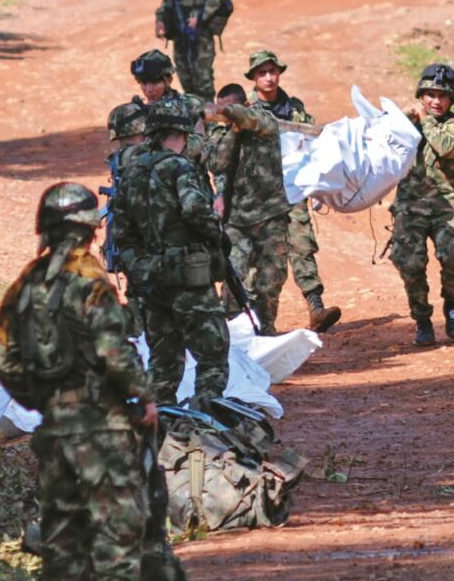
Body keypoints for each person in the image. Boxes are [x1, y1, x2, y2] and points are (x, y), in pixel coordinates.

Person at [0, 182, 156, 580]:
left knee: (62, 550)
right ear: (90, 230)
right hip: (104, 430)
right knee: (117, 543)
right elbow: (113, 352)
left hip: (54, 431)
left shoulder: (24, 286)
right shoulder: (90, 282)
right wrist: (143, 396)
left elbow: (6, 364)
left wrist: (45, 401)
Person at [113, 97, 231, 408]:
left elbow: (121, 234)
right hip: (188, 277)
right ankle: (207, 429)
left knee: (163, 364)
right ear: (181, 133)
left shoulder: (131, 172)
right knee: (213, 356)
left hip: (150, 281)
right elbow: (194, 209)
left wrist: (139, 266)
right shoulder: (179, 166)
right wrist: (216, 234)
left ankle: (154, 433)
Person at [242, 51, 342, 332]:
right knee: (259, 255)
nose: (269, 77)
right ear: (253, 77)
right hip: (259, 194)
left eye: (272, 71)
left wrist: (318, 185)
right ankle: (252, 319)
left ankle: (316, 307)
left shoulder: (294, 108)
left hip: (294, 187)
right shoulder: (247, 108)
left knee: (302, 242)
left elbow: (313, 144)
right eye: (262, 73)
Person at [390, 63, 454, 346]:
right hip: (409, 207)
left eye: (442, 96)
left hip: (443, 207)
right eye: (429, 95)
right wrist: (397, 120)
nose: (435, 101)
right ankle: (422, 320)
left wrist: (424, 120)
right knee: (410, 264)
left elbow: (445, 146)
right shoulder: (406, 123)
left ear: (451, 98)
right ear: (421, 95)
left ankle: (451, 303)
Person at [205, 74, 291, 334]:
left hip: (271, 215)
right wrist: (231, 129)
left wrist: (231, 114)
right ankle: (236, 338)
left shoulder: (263, 119)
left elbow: (253, 120)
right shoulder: (221, 131)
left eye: (230, 108)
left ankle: (265, 332)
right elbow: (215, 163)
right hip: (237, 220)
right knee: (233, 283)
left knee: (270, 283)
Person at [102, 101, 149, 336]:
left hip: (128, 247)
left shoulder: (119, 159)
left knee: (136, 298)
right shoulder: (146, 157)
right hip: (149, 247)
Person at [129, 49, 208, 165]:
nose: (149, 90)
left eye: (155, 83)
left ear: (168, 80)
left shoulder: (192, 105)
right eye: (144, 83)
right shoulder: (138, 111)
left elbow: (211, 149)